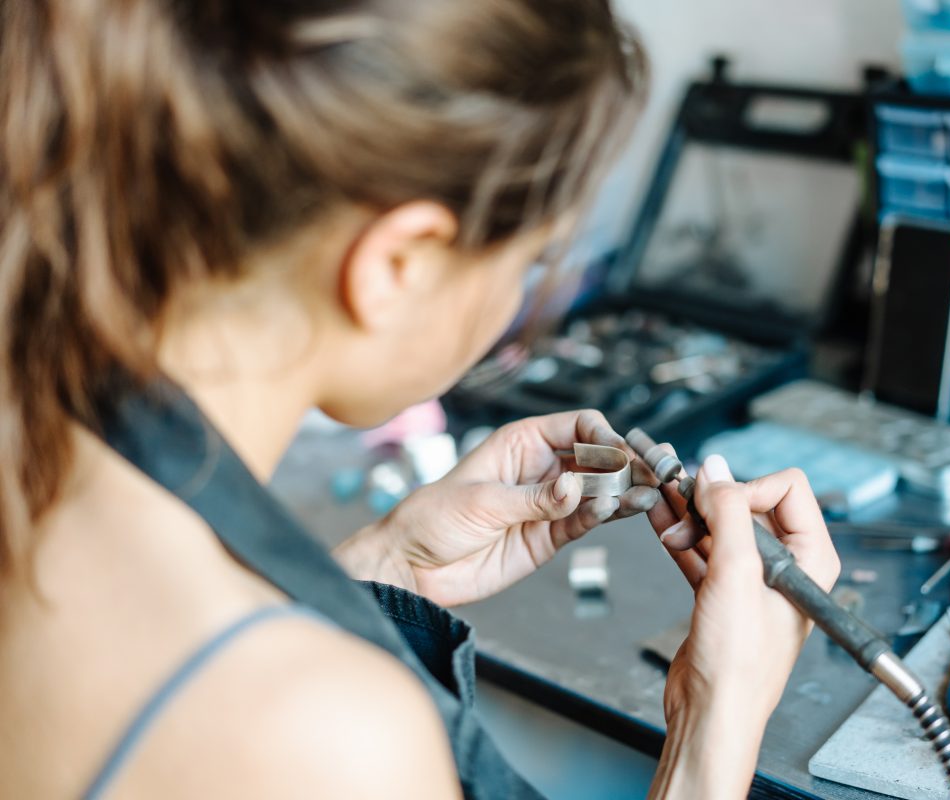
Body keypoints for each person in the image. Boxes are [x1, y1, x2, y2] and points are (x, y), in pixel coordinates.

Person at [0, 1, 841, 798]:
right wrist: (717, 719)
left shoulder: (49, 440)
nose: (519, 299)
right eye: (530, 262)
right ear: (400, 265)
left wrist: (381, 571)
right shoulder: (330, 736)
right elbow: (242, 706)